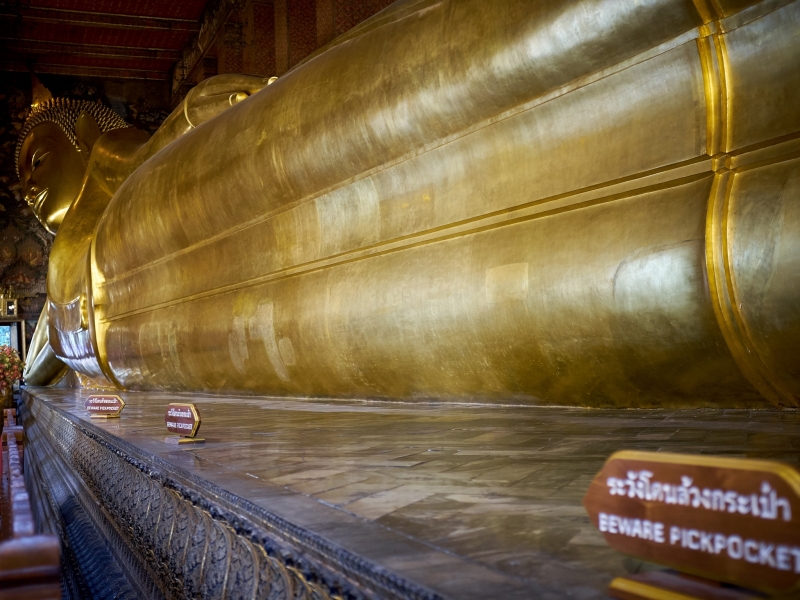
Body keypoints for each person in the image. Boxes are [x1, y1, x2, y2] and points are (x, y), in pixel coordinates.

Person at [18, 0, 800, 408]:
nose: (24, 184)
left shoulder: (135, 167)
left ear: (86, 133)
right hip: (174, 328)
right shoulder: (65, 262)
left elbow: (187, 127)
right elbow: (50, 357)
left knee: (372, 117)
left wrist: (186, 123)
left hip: (173, 203)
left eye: (34, 158)